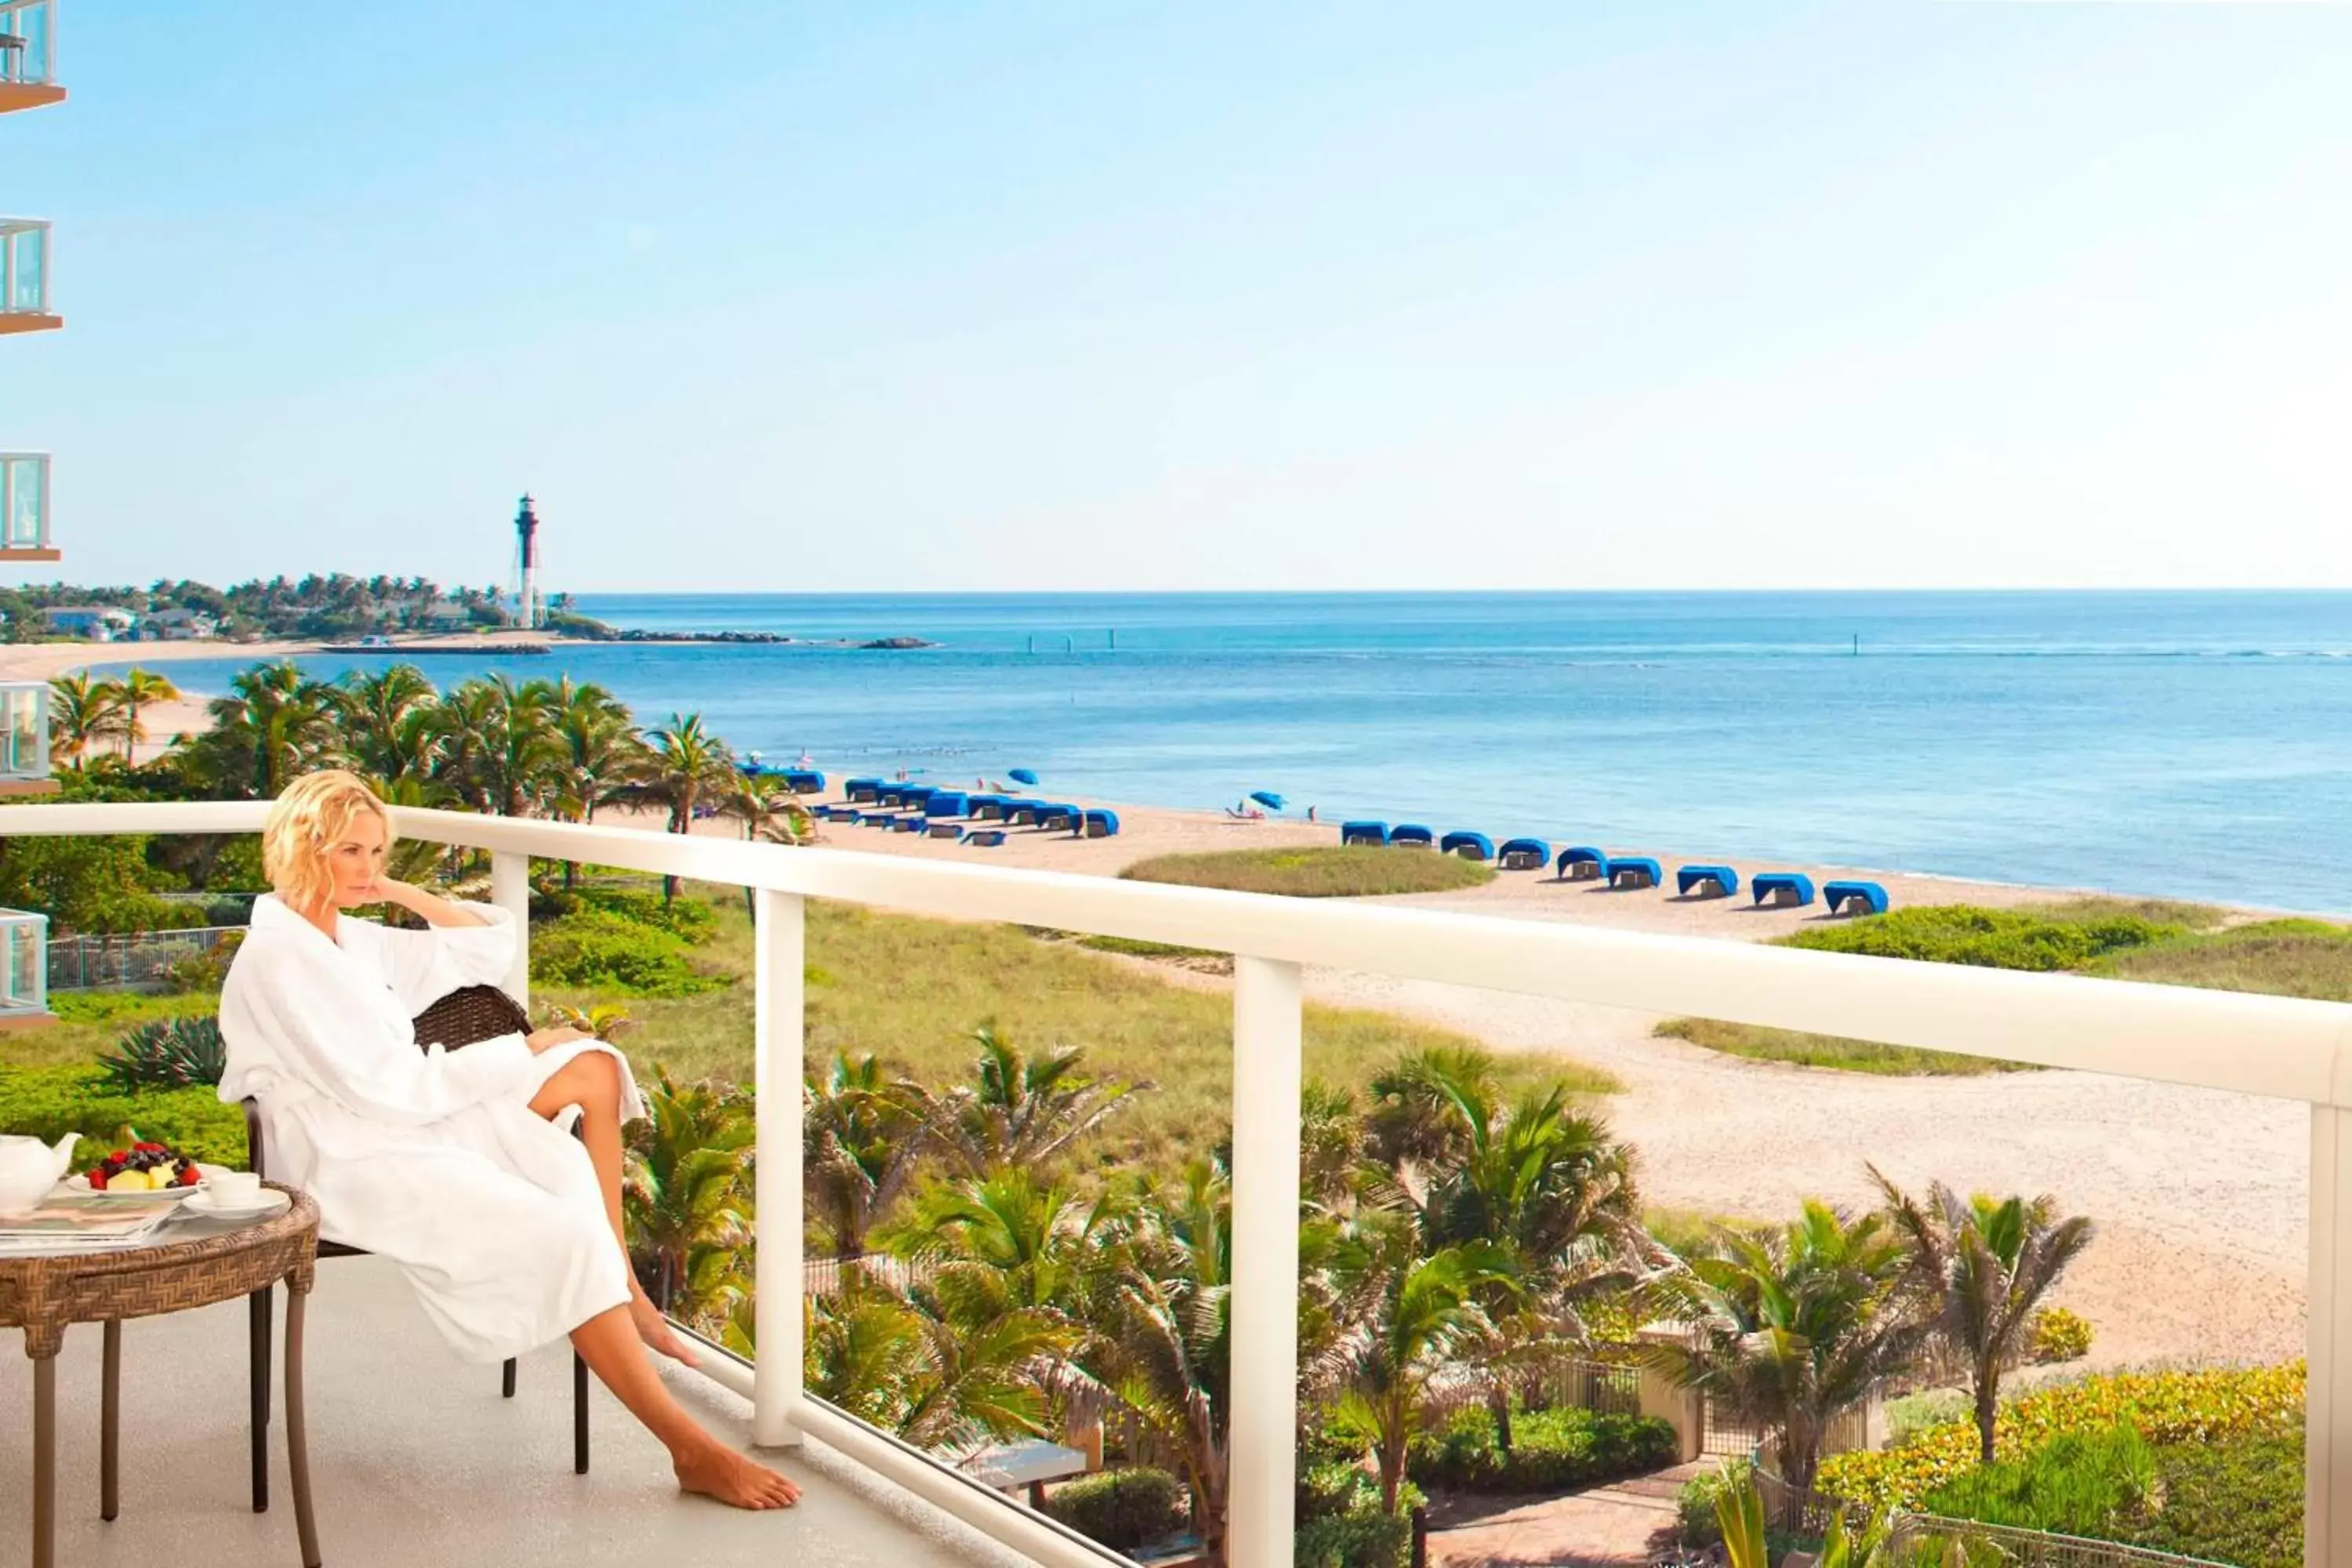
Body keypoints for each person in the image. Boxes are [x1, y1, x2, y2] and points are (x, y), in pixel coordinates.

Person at [216, 770, 798, 1511]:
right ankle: (690, 1448)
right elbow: (385, 1091)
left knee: (591, 1065)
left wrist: (389, 891)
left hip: (404, 1112)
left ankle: (619, 1277)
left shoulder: (340, 935)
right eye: (351, 853)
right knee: (557, 1228)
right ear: (306, 849)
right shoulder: (279, 958)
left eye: (378, 851)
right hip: (348, 1150)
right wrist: (519, 1053)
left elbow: (485, 949)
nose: (369, 867)